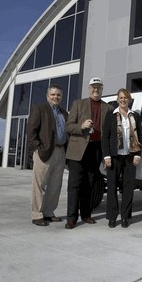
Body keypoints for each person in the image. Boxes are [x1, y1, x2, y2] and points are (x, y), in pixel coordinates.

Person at [64, 77, 113, 229]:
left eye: (98, 87)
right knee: (74, 185)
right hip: (78, 149)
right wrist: (81, 126)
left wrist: (106, 155)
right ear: (89, 88)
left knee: (90, 184)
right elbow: (68, 127)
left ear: (102, 89)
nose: (96, 90)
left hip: (96, 149)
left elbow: (109, 133)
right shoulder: (78, 104)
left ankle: (86, 215)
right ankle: (71, 218)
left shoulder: (109, 108)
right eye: (93, 87)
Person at [27, 84, 68, 226]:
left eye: (58, 95)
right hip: (45, 151)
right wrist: (37, 147)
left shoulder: (64, 113)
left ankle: (49, 212)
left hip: (60, 151)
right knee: (39, 184)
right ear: (47, 96)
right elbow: (31, 131)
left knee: (55, 185)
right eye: (53, 94)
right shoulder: (40, 109)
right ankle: (37, 214)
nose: (56, 97)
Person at [102, 88, 142, 228]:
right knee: (112, 186)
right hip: (114, 156)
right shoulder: (110, 115)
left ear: (129, 99)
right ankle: (112, 217)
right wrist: (106, 155)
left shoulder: (135, 116)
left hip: (130, 156)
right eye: (121, 97)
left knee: (128, 187)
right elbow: (105, 137)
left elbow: (140, 137)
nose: (123, 100)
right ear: (117, 99)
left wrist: (137, 154)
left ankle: (125, 216)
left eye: (125, 97)